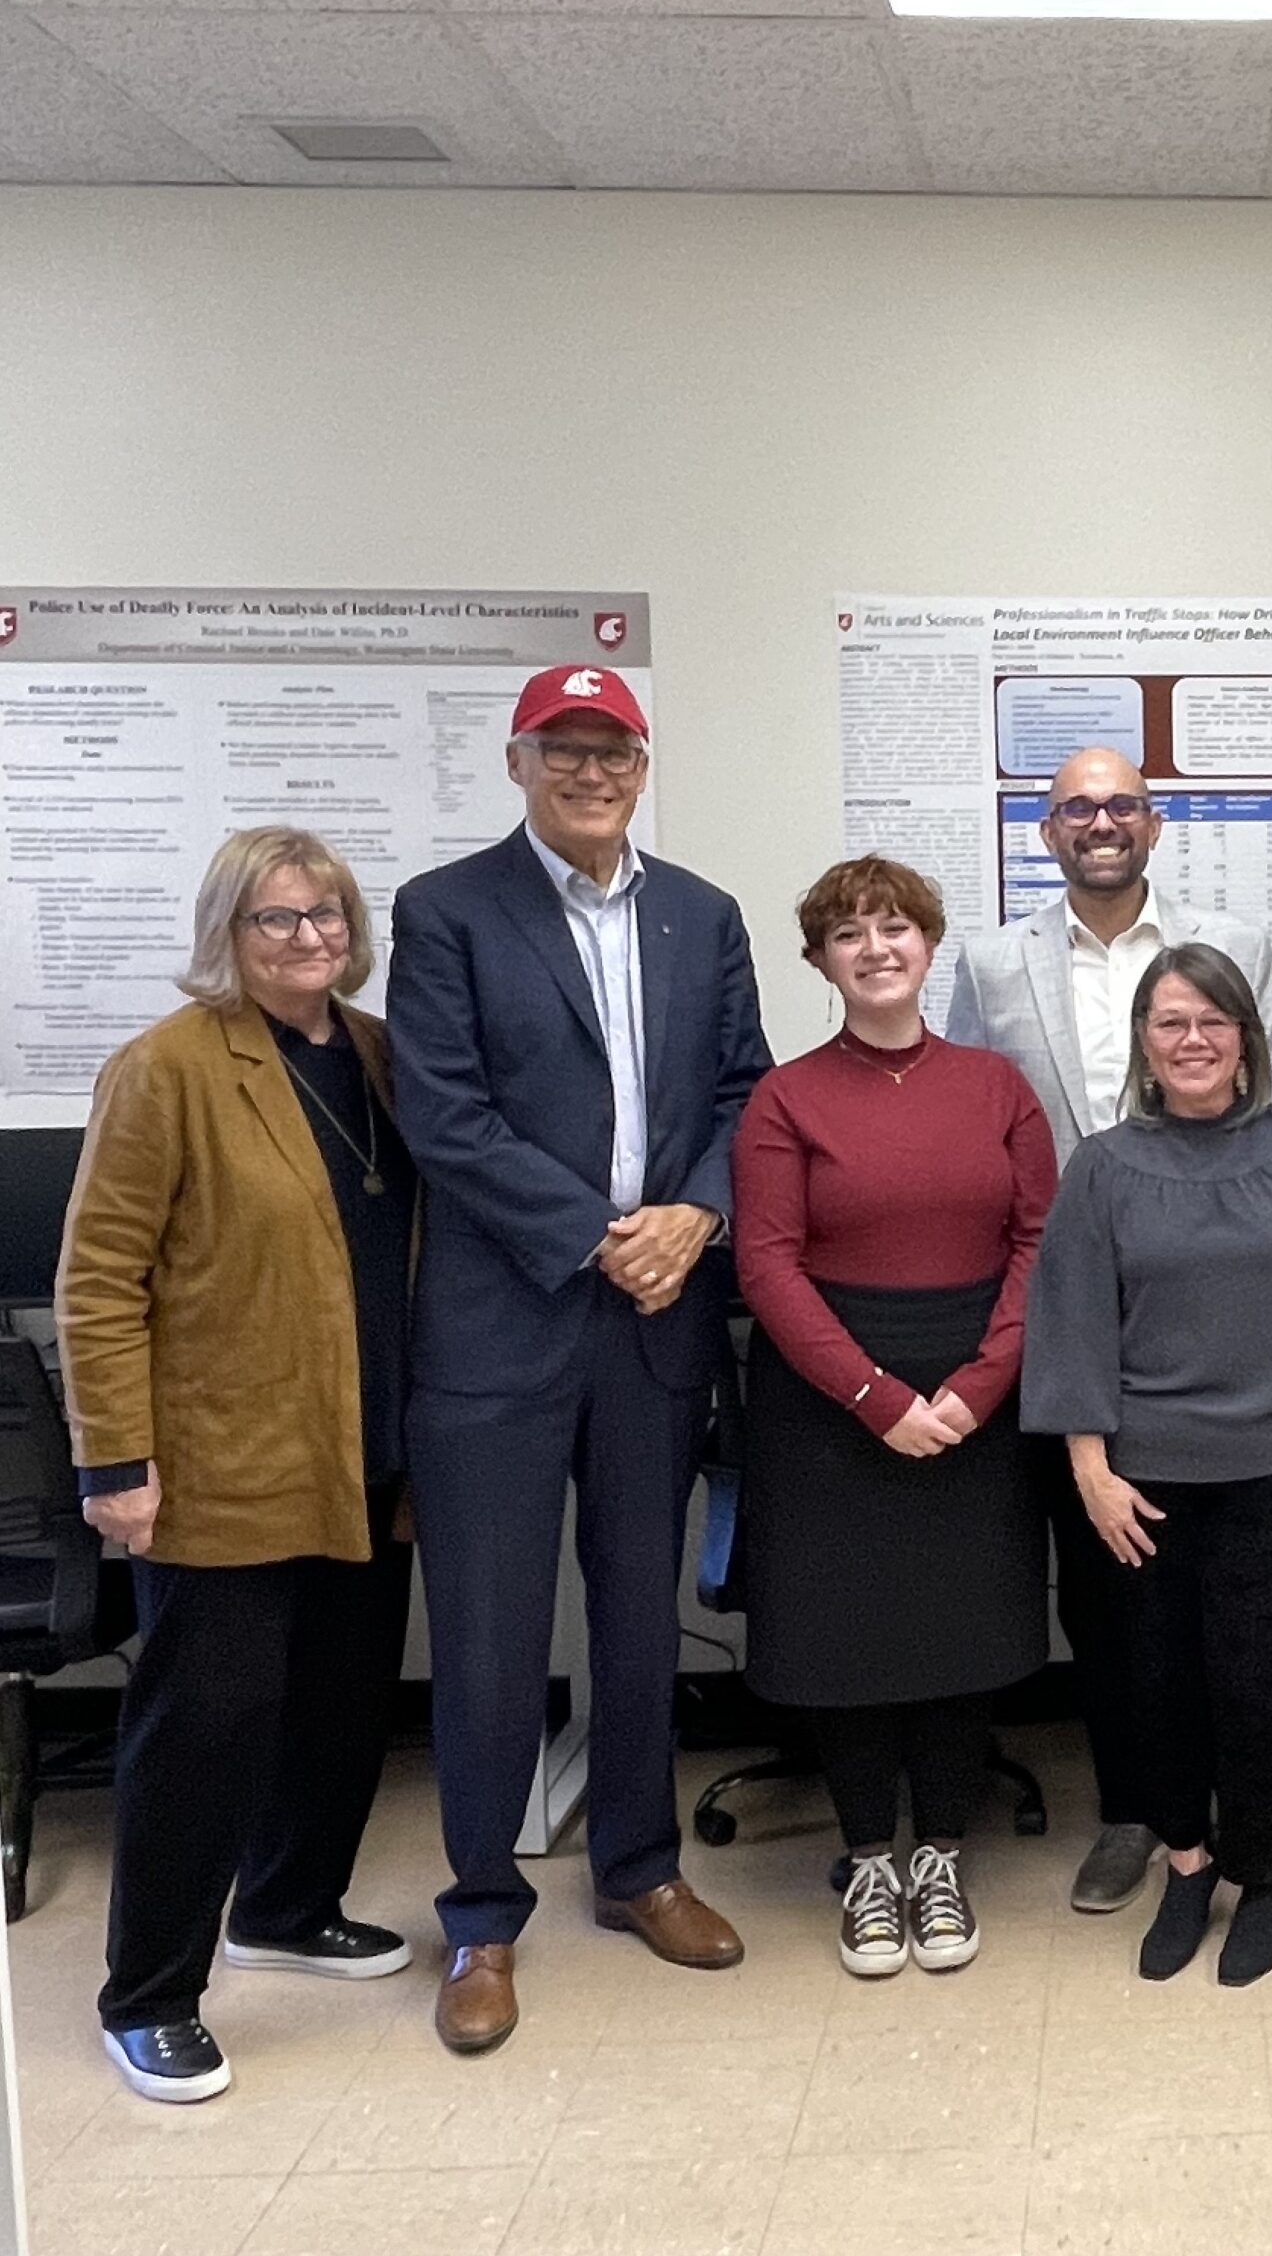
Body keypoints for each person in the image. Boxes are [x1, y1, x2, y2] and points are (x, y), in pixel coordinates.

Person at [389, 663, 770, 2055]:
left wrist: (698, 1211)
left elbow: (745, 1089)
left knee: (634, 1618)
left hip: (655, 1328)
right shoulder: (446, 912)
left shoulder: (700, 915)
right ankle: (482, 1918)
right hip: (502, 1328)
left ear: (641, 764)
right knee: (487, 1636)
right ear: (520, 761)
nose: (592, 772)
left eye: (614, 751)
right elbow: (444, 1113)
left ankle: (639, 1870)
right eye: (567, 750)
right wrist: (606, 1233)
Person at [57, 829, 418, 2102]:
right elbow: (99, 1278)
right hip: (226, 1458)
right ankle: (147, 1993)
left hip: (365, 1454)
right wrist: (116, 1460)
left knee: (338, 1704)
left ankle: (286, 1908)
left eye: (325, 914)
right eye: (275, 918)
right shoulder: (164, 1069)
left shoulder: (374, 1053)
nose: (307, 937)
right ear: (227, 930)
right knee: (205, 1728)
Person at [945, 744, 1272, 1914]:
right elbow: (975, 1115)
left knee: (1245, 1606)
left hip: (1223, 1312)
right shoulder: (993, 960)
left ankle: (1256, 1820)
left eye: (1120, 804)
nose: (1099, 822)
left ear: (1154, 824)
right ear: (1046, 829)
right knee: (1113, 1595)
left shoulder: (1230, 945)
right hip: (1074, 1313)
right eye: (1076, 808)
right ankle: (1139, 1815)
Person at [1022, 944, 1272, 1986]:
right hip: (1140, 1479)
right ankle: (1186, 1862)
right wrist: (1089, 1467)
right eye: (1169, 1021)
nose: (1192, 1040)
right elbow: (1071, 1322)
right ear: (1143, 1043)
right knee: (1158, 1683)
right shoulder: (1100, 1164)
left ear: (1246, 1039)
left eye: (1212, 1021)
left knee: (1257, 1678)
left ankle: (1265, 1873)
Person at [730, 856, 1055, 1980]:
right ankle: (870, 1856)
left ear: (930, 945)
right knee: (848, 1636)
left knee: (960, 1627)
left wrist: (976, 1386)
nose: (876, 948)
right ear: (819, 961)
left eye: (896, 927)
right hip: (829, 1399)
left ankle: (944, 1855)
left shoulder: (996, 1088)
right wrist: (873, 1397)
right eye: (849, 933)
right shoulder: (785, 1098)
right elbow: (767, 1265)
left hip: (974, 1385)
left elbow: (1036, 1244)